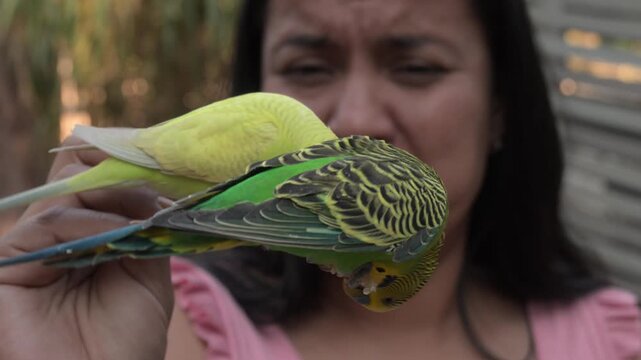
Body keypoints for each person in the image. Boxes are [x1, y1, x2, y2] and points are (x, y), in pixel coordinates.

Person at [0, 0, 639, 359]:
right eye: (308, 66)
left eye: (416, 67)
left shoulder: (613, 342)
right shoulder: (152, 318)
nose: (357, 119)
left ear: (502, 107)